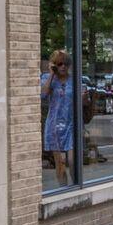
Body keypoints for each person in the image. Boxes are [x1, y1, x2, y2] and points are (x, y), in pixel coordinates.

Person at [42, 49, 75, 187]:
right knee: (60, 162)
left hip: (71, 124)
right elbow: (42, 95)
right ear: (54, 65)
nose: (63, 67)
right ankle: (64, 190)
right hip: (54, 126)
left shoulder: (74, 80)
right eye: (59, 64)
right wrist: (51, 74)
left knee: (72, 161)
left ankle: (76, 186)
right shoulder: (47, 79)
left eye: (66, 64)